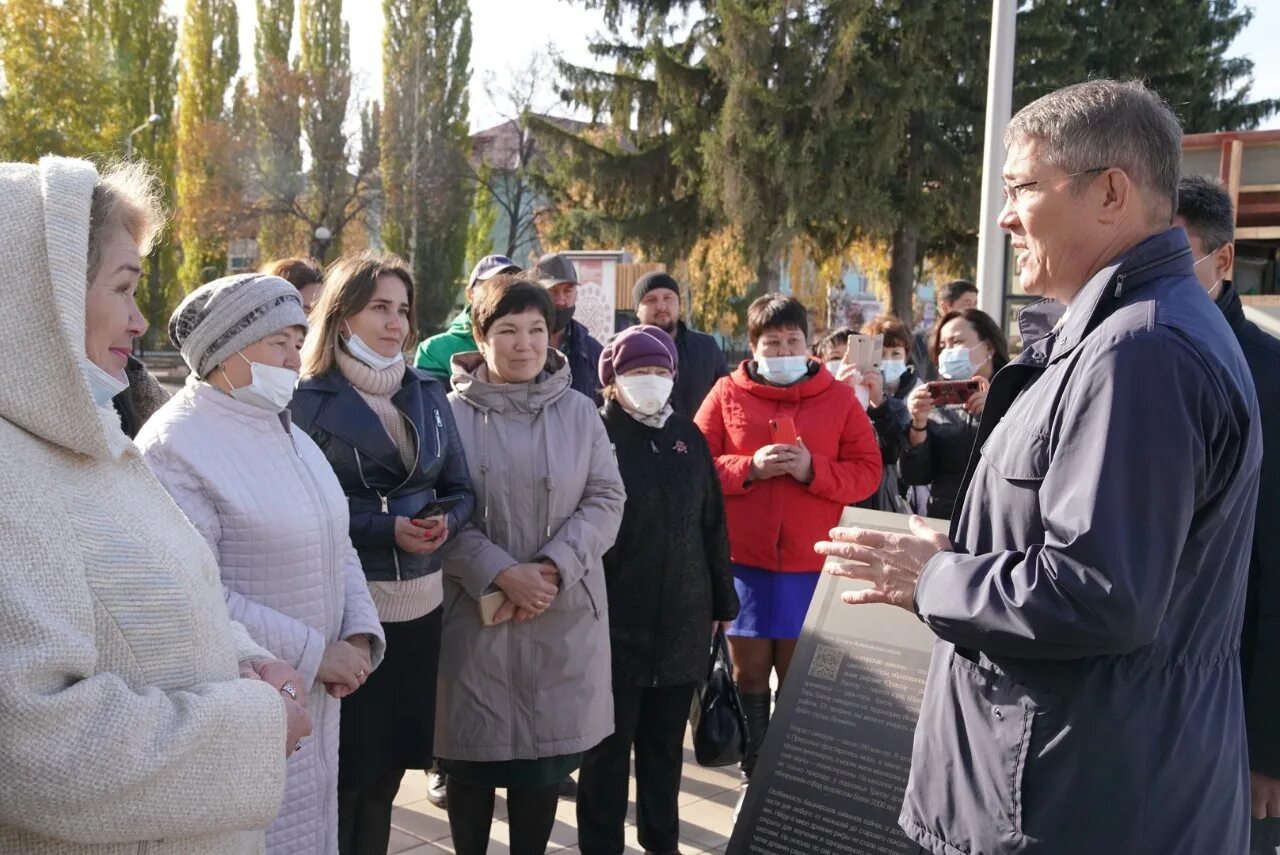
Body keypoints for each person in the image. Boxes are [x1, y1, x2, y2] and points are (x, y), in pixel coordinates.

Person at [817, 80, 1263, 855]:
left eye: (1022, 186)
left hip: (1080, 802)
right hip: (1080, 783)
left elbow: (1099, 592)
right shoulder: (1120, 335)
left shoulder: (1140, 353)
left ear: (1110, 193)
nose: (1003, 215)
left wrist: (935, 575)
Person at [0, 157, 310, 853]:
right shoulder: (11, 472)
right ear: (40, 295)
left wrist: (249, 659)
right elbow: (30, 747)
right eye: (124, 287)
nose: (141, 320)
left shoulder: (81, 438)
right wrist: (257, 723)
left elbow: (151, 605)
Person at [137, 274, 389, 855]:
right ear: (226, 349)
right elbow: (197, 592)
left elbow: (338, 542)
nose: (294, 358)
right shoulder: (175, 446)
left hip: (317, 700)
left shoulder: (288, 434)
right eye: (278, 341)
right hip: (253, 702)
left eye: (298, 339)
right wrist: (314, 652)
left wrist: (356, 633)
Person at [292, 252, 476, 855]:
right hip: (351, 613)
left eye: (402, 310)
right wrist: (385, 528)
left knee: (390, 775)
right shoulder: (304, 399)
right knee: (347, 777)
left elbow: (462, 490)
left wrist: (443, 521)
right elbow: (304, 507)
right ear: (342, 316)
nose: (396, 322)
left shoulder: (429, 392)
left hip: (422, 611)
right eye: (379, 308)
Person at [439, 274, 626, 855]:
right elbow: (437, 511)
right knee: (470, 764)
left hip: (560, 609)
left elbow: (606, 499)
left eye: (537, 330)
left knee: (543, 771)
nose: (524, 343)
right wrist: (499, 571)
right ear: (480, 335)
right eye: (508, 330)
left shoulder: (579, 412)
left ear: (554, 335)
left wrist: (548, 568)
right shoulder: (446, 415)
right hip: (475, 614)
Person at [694, 294, 881, 800]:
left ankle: (792, 782)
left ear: (808, 342)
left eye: (792, 340)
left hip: (812, 563)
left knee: (799, 678)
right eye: (771, 342)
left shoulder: (837, 399)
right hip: (743, 563)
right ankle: (755, 777)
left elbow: (867, 472)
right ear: (753, 347)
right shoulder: (724, 394)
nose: (783, 349)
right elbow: (693, 466)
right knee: (747, 672)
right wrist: (748, 468)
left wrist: (811, 469)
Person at [577, 325, 739, 855]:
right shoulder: (596, 435)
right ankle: (601, 845)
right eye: (636, 372)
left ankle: (661, 842)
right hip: (611, 621)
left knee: (665, 749)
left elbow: (712, 524)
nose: (650, 381)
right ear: (611, 380)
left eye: (660, 371)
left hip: (682, 622)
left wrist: (722, 601)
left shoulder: (687, 437)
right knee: (605, 752)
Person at [1176, 174, 1280, 851]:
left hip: (1232, 712)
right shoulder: (1111, 353)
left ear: (1221, 260)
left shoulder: (1268, 374)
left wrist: (1267, 742)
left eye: (1173, 253)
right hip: (1127, 708)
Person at [898, 308, 1009, 521]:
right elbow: (916, 475)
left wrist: (997, 409)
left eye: (956, 342)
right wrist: (918, 424)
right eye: (942, 346)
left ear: (988, 347)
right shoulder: (938, 401)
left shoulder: (1018, 392)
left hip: (998, 517)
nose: (947, 351)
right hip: (947, 519)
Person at [815, 327, 911, 513]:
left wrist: (878, 405)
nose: (846, 365)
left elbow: (894, 455)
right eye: (836, 358)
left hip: (878, 507)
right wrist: (837, 395)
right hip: (831, 504)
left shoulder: (893, 407)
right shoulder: (815, 405)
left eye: (853, 358)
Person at [633, 270, 730, 416]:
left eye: (668, 298)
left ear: (679, 304)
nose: (661, 306)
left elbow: (728, 399)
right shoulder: (620, 350)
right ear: (637, 310)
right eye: (651, 300)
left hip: (697, 437)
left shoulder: (706, 348)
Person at [414, 254, 521, 382]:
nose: (502, 295)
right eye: (492, 286)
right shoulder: (433, 350)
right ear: (470, 295)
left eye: (512, 287)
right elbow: (433, 400)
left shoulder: (531, 344)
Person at [530, 252, 604, 402]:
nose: (561, 300)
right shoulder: (520, 347)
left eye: (568, 291)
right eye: (552, 291)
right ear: (535, 295)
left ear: (576, 294)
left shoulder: (594, 352)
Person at [910, 279, 978, 381]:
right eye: (967, 304)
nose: (973, 310)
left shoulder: (978, 339)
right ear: (945, 307)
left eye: (975, 304)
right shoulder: (919, 341)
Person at [862, 315, 921, 400]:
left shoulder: (917, 392)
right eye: (881, 354)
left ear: (906, 356)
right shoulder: (860, 392)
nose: (888, 360)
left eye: (896, 354)